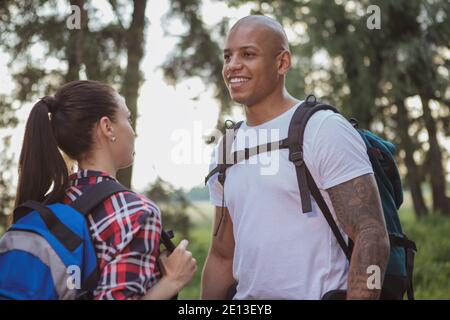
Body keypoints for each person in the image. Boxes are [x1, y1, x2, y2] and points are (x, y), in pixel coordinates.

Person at [201, 15, 390, 300]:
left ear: (282, 63)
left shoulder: (323, 129)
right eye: (228, 56)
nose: (232, 66)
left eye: (248, 54)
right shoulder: (226, 147)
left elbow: (371, 234)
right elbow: (222, 255)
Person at [15, 80, 197, 300]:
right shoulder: (135, 212)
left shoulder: (47, 205)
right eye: (127, 119)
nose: (133, 130)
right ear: (107, 127)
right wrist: (172, 280)